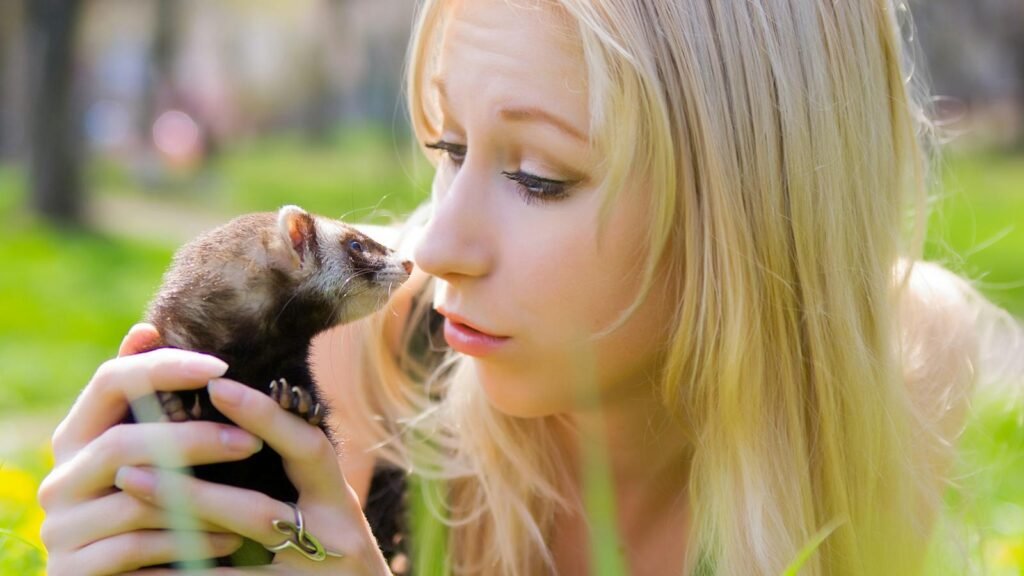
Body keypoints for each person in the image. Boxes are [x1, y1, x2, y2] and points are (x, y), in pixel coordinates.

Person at [37, 0, 1022, 574]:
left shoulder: (940, 403)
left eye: (539, 176)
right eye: (448, 148)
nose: (440, 247)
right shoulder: (359, 373)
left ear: (751, 207)